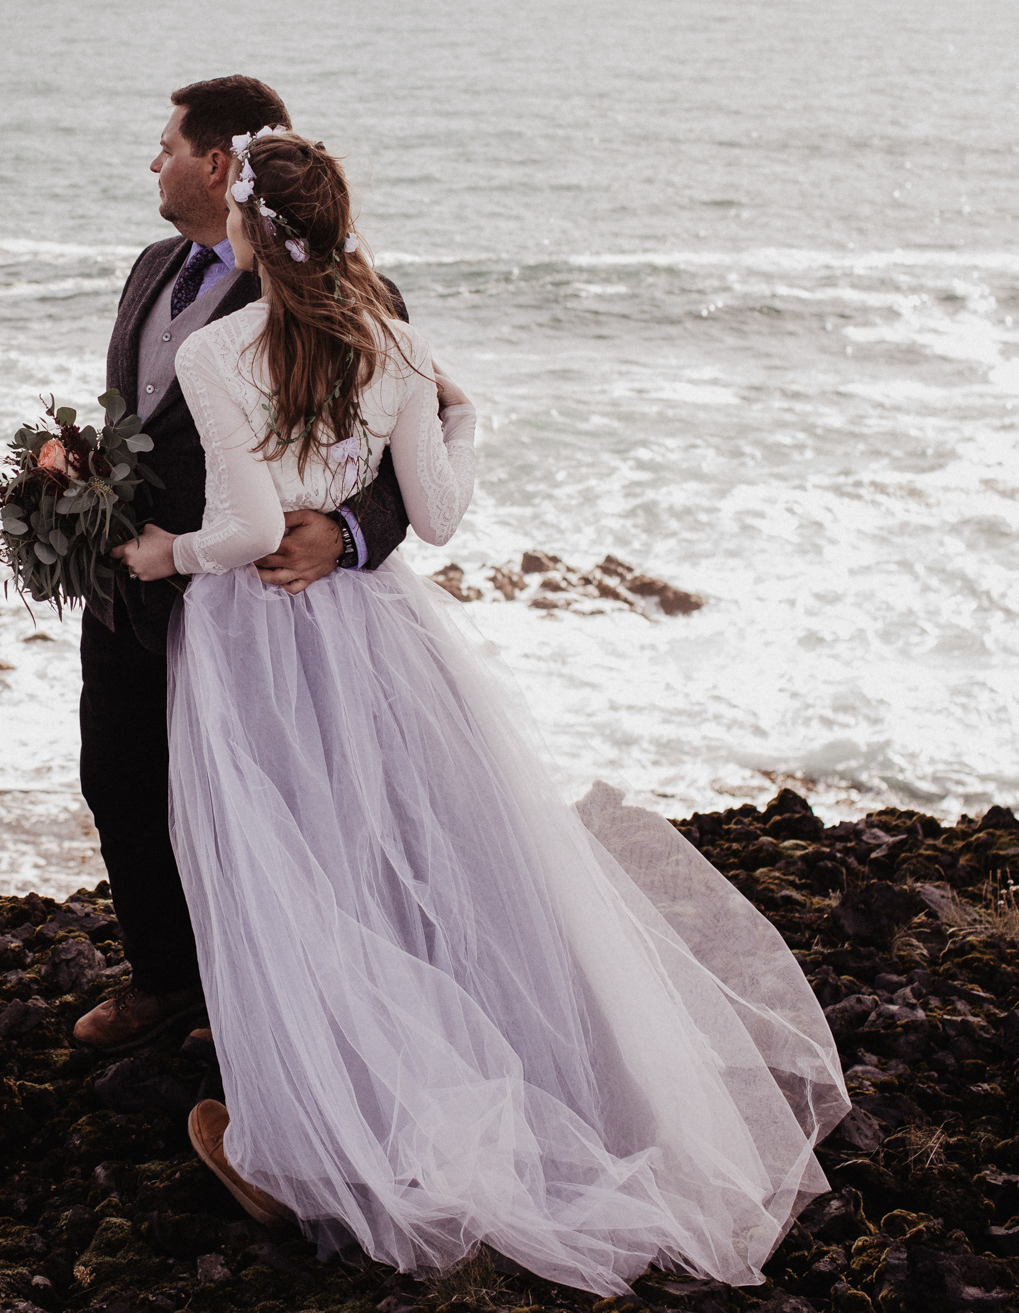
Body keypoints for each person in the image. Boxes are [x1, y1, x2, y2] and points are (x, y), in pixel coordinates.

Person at [108, 131, 849, 1291]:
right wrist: (463, 418)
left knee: (283, 868)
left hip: (254, 637)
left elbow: (246, 531)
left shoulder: (217, 350)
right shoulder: (394, 340)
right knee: (376, 860)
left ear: (248, 220)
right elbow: (440, 515)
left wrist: (166, 553)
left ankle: (302, 1137)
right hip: (372, 630)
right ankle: (394, 1098)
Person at [73, 76, 416, 1053]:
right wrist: (76, 487)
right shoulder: (151, 266)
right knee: (120, 783)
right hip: (132, 598)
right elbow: (139, 419)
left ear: (218, 164)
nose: (154, 161)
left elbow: (400, 461)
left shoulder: (340, 290)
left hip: (256, 610)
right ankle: (167, 979)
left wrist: (345, 534)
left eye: (169, 145)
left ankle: (265, 1025)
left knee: (266, 815)